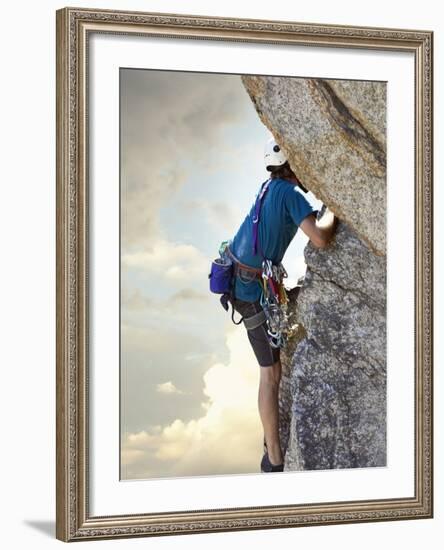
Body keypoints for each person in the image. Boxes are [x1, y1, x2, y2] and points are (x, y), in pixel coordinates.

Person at [227, 136, 337, 473]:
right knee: (271, 373)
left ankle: (270, 446)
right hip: (250, 290)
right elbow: (320, 238)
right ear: (292, 165)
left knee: (271, 370)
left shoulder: (268, 188)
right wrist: (334, 209)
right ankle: (274, 458)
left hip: (241, 280)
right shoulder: (289, 194)